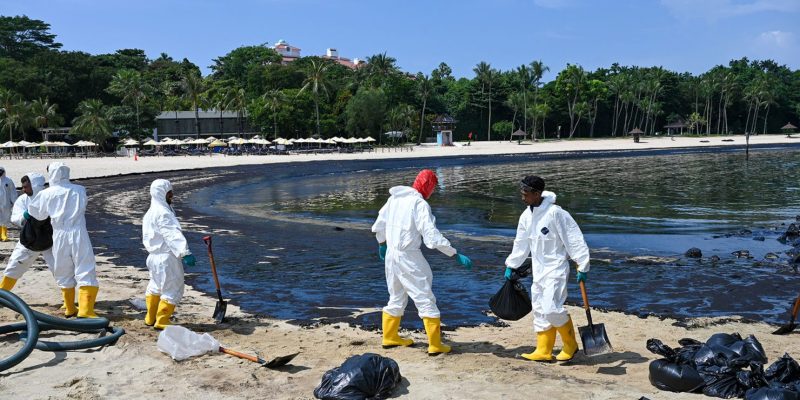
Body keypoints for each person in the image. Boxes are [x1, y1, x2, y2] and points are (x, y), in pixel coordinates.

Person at [371, 169, 473, 356]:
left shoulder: (394, 199)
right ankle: (435, 345)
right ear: (429, 186)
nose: (432, 192)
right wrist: (454, 253)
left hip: (392, 255)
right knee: (425, 297)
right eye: (433, 188)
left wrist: (382, 244)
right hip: (409, 256)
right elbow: (431, 235)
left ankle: (390, 336)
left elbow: (380, 224)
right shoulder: (419, 204)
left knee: (396, 296)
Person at [502, 175, 590, 362]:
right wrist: (512, 264)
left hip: (556, 269)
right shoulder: (526, 216)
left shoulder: (556, 213)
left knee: (551, 308)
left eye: (526, 194)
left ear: (537, 193)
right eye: (522, 193)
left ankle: (570, 344)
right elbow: (521, 243)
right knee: (540, 309)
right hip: (538, 270)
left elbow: (574, 239)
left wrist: (582, 265)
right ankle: (543, 350)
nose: (522, 197)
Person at [28, 162, 99, 318]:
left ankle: (69, 308)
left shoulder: (46, 193)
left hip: (59, 233)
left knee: (62, 268)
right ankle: (86, 310)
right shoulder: (80, 190)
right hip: (78, 231)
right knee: (85, 267)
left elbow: (38, 214)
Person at [141, 179, 195, 329]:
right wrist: (185, 252)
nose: (172, 196)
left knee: (155, 286)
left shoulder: (150, 213)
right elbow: (171, 234)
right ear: (161, 193)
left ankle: (150, 317)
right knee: (172, 288)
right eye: (169, 193)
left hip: (153, 257)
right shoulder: (164, 213)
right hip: (166, 258)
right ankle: (162, 320)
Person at [0, 173, 55, 291]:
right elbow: (15, 217)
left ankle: (69, 300)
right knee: (14, 266)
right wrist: (24, 216)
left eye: (26, 187)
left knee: (60, 269)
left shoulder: (50, 197)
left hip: (50, 240)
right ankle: (2, 294)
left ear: (35, 186)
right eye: (23, 187)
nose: (23, 190)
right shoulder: (23, 200)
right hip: (29, 239)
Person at [0, 167, 19, 242]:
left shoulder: (8, 180)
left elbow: (13, 192)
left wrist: (15, 202)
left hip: (6, 203)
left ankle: (3, 234)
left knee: (5, 218)